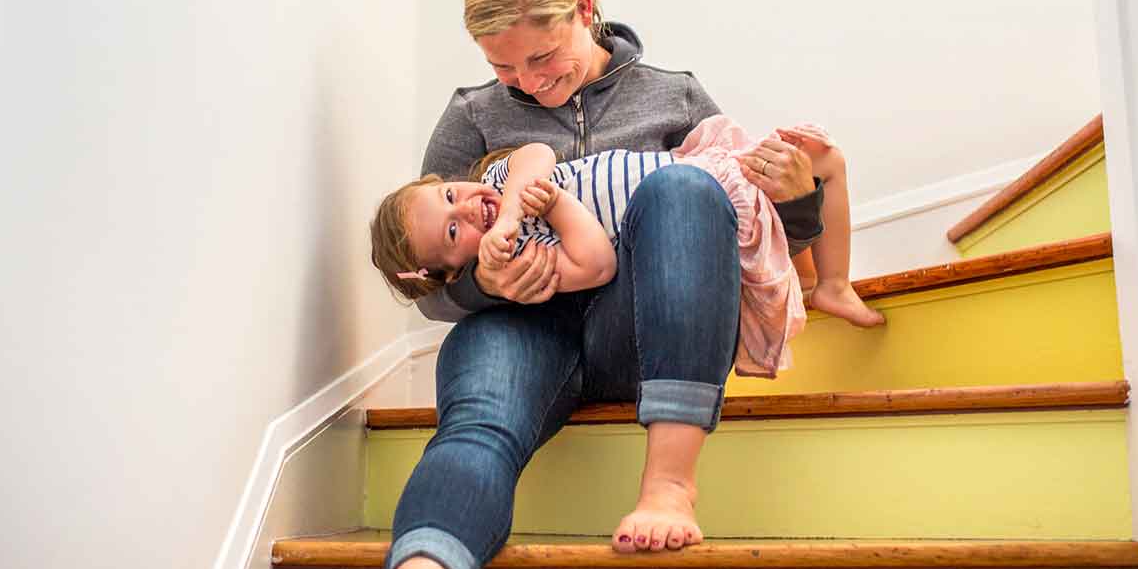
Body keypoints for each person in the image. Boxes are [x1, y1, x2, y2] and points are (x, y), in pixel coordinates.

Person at [355, 0, 866, 569]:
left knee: (687, 189)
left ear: (585, 11)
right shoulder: (470, 117)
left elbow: (751, 241)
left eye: (542, 56)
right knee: (479, 426)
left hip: (645, 327)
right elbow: (429, 265)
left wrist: (800, 201)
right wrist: (492, 282)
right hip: (521, 336)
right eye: (502, 67)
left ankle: (668, 486)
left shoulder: (675, 93)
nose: (526, 82)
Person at [372, 114, 882, 379]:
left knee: (823, 157)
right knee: (797, 190)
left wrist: (511, 209)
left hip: (700, 170)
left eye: (450, 195)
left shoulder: (502, 184)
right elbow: (597, 265)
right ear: (453, 269)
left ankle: (831, 283)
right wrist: (552, 209)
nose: (466, 209)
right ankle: (820, 284)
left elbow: (537, 152)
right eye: (453, 233)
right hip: (702, 210)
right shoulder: (524, 263)